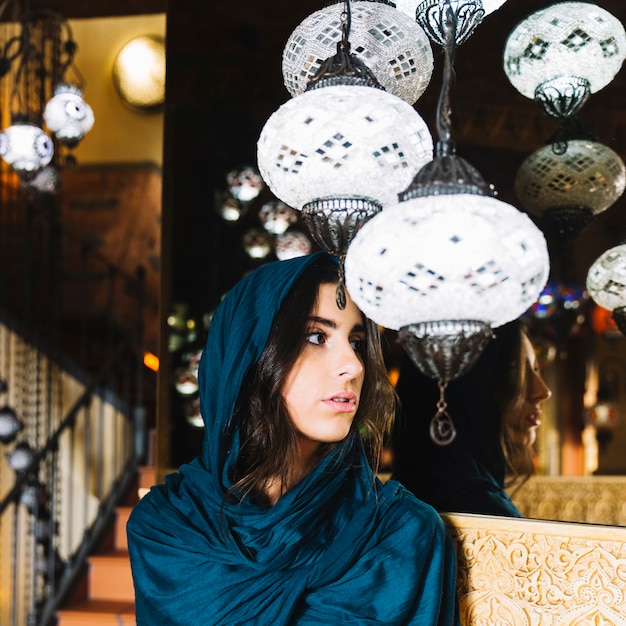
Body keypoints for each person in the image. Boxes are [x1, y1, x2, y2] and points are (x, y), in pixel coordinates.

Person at [127, 252, 460, 625]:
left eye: (356, 341)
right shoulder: (166, 530)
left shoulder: (401, 535)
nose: (353, 365)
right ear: (247, 359)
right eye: (317, 336)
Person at [390, 319, 551, 518]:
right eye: (514, 372)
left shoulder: (393, 501)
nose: (543, 391)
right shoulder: (488, 515)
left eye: (535, 369)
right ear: (461, 388)